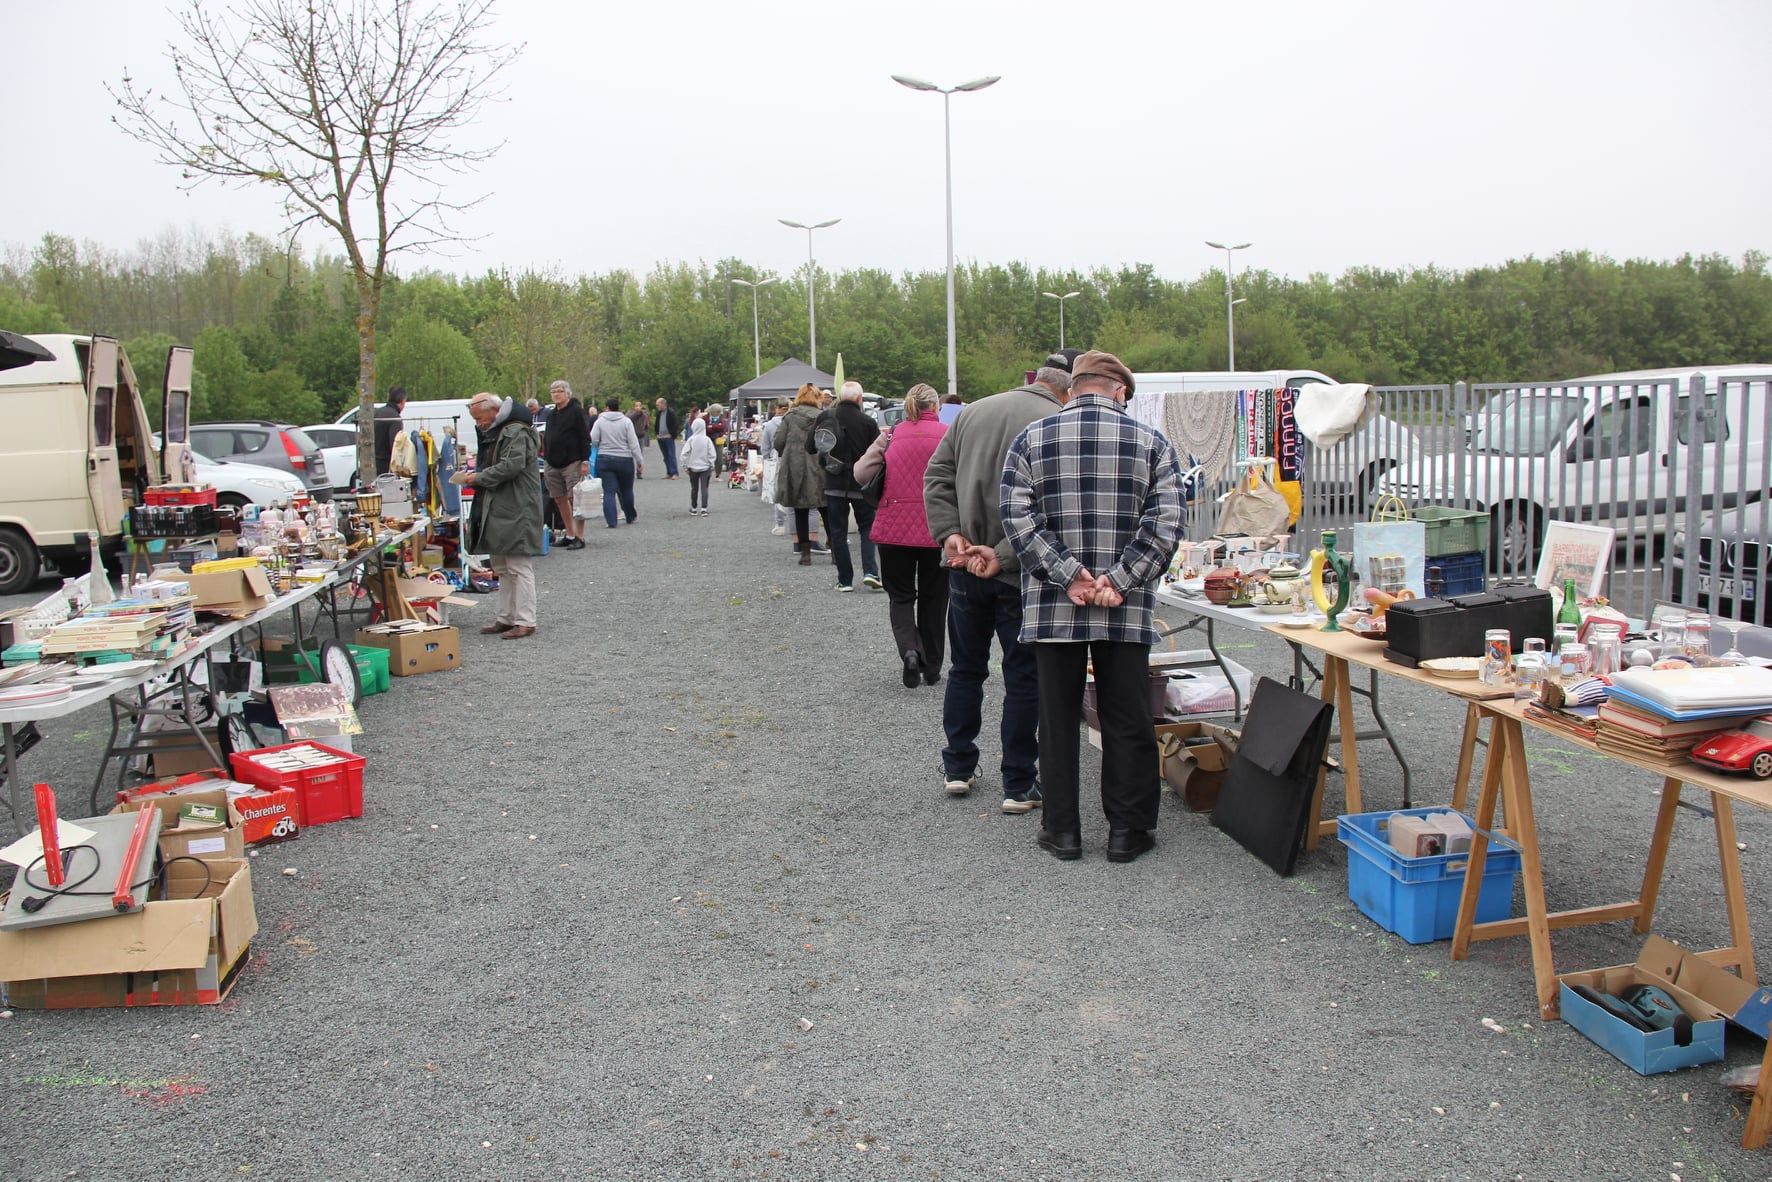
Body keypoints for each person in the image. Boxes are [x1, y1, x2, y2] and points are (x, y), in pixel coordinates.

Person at [1000, 351, 1185, 864]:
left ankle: (1062, 831)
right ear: (1119, 390)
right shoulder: (1151, 442)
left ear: (1073, 387)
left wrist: (1068, 574)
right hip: (1123, 606)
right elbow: (1167, 523)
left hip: (1053, 604)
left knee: (1057, 718)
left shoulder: (1031, 440)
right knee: (1127, 717)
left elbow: (1016, 518)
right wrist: (1119, 580)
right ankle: (1128, 832)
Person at [922, 348, 1078, 813]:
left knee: (965, 670)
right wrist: (1005, 553)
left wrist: (950, 534)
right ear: (1069, 389)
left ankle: (958, 767)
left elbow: (937, 476)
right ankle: (1018, 782)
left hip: (965, 563)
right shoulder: (1057, 422)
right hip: (1021, 572)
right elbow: (1055, 505)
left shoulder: (973, 412)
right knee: (1023, 677)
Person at [856, 383, 949, 687]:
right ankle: (932, 667)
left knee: (901, 596)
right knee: (935, 598)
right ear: (934, 407)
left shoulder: (891, 435)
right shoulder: (949, 434)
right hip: (938, 528)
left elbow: (861, 473)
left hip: (894, 527)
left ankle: (910, 650)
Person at [459, 392, 543, 639]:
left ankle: (526, 620)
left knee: (518, 565)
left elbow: (511, 466)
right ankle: (506, 618)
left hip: (517, 506)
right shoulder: (505, 430)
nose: (478, 424)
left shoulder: (516, 431)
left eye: (479, 418)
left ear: (494, 411)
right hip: (504, 505)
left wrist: (478, 477)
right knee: (502, 567)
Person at [809, 380, 881, 593]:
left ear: (840, 397)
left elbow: (810, 446)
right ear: (859, 399)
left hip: (834, 483)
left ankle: (845, 580)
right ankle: (871, 572)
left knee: (838, 532)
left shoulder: (825, 417)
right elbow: (879, 452)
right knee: (867, 528)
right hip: (861, 483)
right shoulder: (868, 422)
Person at [774, 384, 829, 566]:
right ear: (817, 397)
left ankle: (805, 553)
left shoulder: (790, 417)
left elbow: (778, 442)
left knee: (800, 510)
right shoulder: (823, 417)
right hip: (820, 467)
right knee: (826, 509)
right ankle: (835, 550)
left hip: (794, 467)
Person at [540, 379, 590, 550]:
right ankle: (569, 534)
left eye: (560, 391)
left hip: (572, 461)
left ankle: (579, 536)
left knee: (576, 499)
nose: (556, 394)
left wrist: (585, 460)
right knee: (559, 499)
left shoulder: (576, 411)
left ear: (567, 393)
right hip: (552, 462)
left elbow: (585, 436)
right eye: (553, 391)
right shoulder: (551, 414)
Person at [590, 396, 643, 527]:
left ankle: (611, 521)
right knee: (627, 489)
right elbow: (633, 442)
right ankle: (630, 516)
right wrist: (639, 460)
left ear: (607, 408)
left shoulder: (600, 422)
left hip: (605, 459)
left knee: (609, 491)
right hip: (624, 459)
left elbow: (594, 439)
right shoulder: (626, 421)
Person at [761, 400, 790, 535]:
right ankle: (796, 523)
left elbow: (765, 447)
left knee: (777, 491)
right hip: (791, 458)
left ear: (775, 409)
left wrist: (766, 459)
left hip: (775, 459)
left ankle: (780, 524)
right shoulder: (792, 422)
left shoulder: (768, 425)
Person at [680, 419, 717, 515]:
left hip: (693, 468)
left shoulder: (691, 439)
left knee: (694, 488)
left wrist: (685, 466)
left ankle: (694, 508)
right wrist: (712, 465)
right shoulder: (707, 440)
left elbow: (684, 454)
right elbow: (712, 454)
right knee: (704, 488)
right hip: (705, 467)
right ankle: (704, 508)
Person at [373, 386, 407, 476]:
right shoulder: (395, 418)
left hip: (373, 462)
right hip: (386, 466)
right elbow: (395, 446)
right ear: (402, 402)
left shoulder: (377, 412)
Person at [653, 397, 680, 479]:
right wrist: (657, 434)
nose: (657, 406)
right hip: (660, 437)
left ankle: (674, 473)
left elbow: (676, 424)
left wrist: (671, 434)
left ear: (663, 404)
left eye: (658, 405)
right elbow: (657, 424)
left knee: (671, 455)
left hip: (668, 438)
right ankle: (669, 472)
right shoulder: (659, 413)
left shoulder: (671, 412)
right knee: (665, 457)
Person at [628, 401, 651, 478]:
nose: (638, 407)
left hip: (640, 436)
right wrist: (636, 413)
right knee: (630, 455)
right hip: (632, 437)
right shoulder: (630, 413)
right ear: (634, 407)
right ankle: (630, 472)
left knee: (639, 455)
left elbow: (646, 424)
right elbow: (629, 419)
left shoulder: (644, 414)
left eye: (639, 406)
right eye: (636, 406)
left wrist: (644, 431)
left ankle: (639, 472)